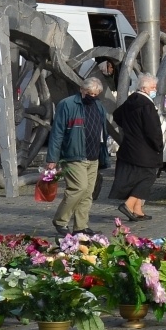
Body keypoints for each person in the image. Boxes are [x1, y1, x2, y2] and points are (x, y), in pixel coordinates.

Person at [46, 77, 111, 235]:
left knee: (88, 193)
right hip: (74, 155)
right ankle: (60, 220)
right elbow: (57, 132)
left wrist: (104, 155)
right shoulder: (67, 104)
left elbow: (103, 131)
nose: (93, 96)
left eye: (96, 94)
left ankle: (81, 226)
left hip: (93, 156)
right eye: (90, 93)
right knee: (78, 188)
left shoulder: (98, 106)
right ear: (82, 90)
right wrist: (52, 159)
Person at [110, 74, 163, 221]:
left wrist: (130, 127)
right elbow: (153, 130)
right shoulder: (147, 105)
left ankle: (137, 209)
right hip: (145, 148)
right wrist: (158, 145)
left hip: (130, 145)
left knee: (140, 176)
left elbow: (117, 115)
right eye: (153, 87)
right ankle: (129, 204)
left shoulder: (131, 101)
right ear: (144, 88)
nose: (155, 90)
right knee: (149, 176)